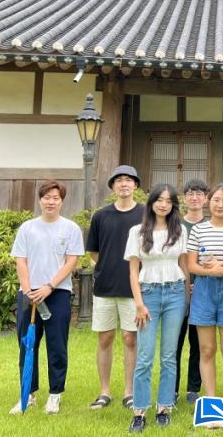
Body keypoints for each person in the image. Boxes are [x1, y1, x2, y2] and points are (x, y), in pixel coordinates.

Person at [9, 180, 84, 415]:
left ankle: (55, 395)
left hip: (57, 293)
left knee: (57, 345)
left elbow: (71, 261)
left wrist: (49, 287)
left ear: (62, 202)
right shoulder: (27, 228)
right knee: (27, 344)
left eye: (55, 198)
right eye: (47, 197)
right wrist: (28, 290)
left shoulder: (70, 228)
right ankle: (28, 394)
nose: (51, 202)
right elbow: (20, 260)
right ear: (40, 200)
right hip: (29, 294)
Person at [125, 184, 188, 432]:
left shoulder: (180, 230)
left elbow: (184, 265)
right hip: (148, 294)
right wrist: (139, 304)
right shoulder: (137, 231)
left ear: (173, 205)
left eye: (169, 201)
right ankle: (139, 411)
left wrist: (187, 297)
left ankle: (164, 408)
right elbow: (133, 271)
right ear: (151, 203)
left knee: (169, 355)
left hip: (175, 293)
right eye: (159, 200)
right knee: (145, 356)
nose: (163, 205)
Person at [187, 184, 223, 426]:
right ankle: (211, 401)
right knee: (207, 349)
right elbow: (191, 265)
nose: (220, 205)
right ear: (208, 201)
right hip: (204, 289)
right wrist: (210, 272)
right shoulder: (198, 230)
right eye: (216, 200)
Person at [87, 166, 143, 411]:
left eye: (128, 180)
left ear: (135, 185)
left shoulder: (145, 214)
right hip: (105, 287)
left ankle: (129, 392)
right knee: (105, 337)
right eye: (119, 180)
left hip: (134, 289)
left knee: (130, 338)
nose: (124, 184)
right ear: (112, 186)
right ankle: (104, 391)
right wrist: (107, 268)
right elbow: (94, 252)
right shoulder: (101, 216)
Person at [174, 178, 209, 405]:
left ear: (205, 198)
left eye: (199, 194)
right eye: (190, 194)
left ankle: (193, 388)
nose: (194, 198)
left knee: (198, 343)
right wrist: (184, 282)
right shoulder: (175, 225)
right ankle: (172, 388)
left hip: (203, 292)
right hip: (177, 292)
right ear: (184, 198)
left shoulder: (210, 225)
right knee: (174, 343)